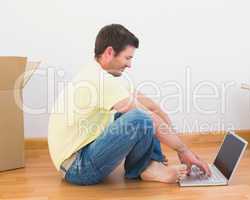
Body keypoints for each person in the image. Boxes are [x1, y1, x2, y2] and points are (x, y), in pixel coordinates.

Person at [48, 24, 211, 186]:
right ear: (110, 52)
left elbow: (151, 107)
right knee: (140, 117)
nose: (130, 64)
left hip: (83, 155)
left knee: (139, 113)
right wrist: (183, 151)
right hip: (77, 168)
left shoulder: (102, 74)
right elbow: (147, 116)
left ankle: (150, 166)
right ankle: (146, 167)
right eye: (128, 58)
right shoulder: (99, 80)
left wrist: (180, 145)